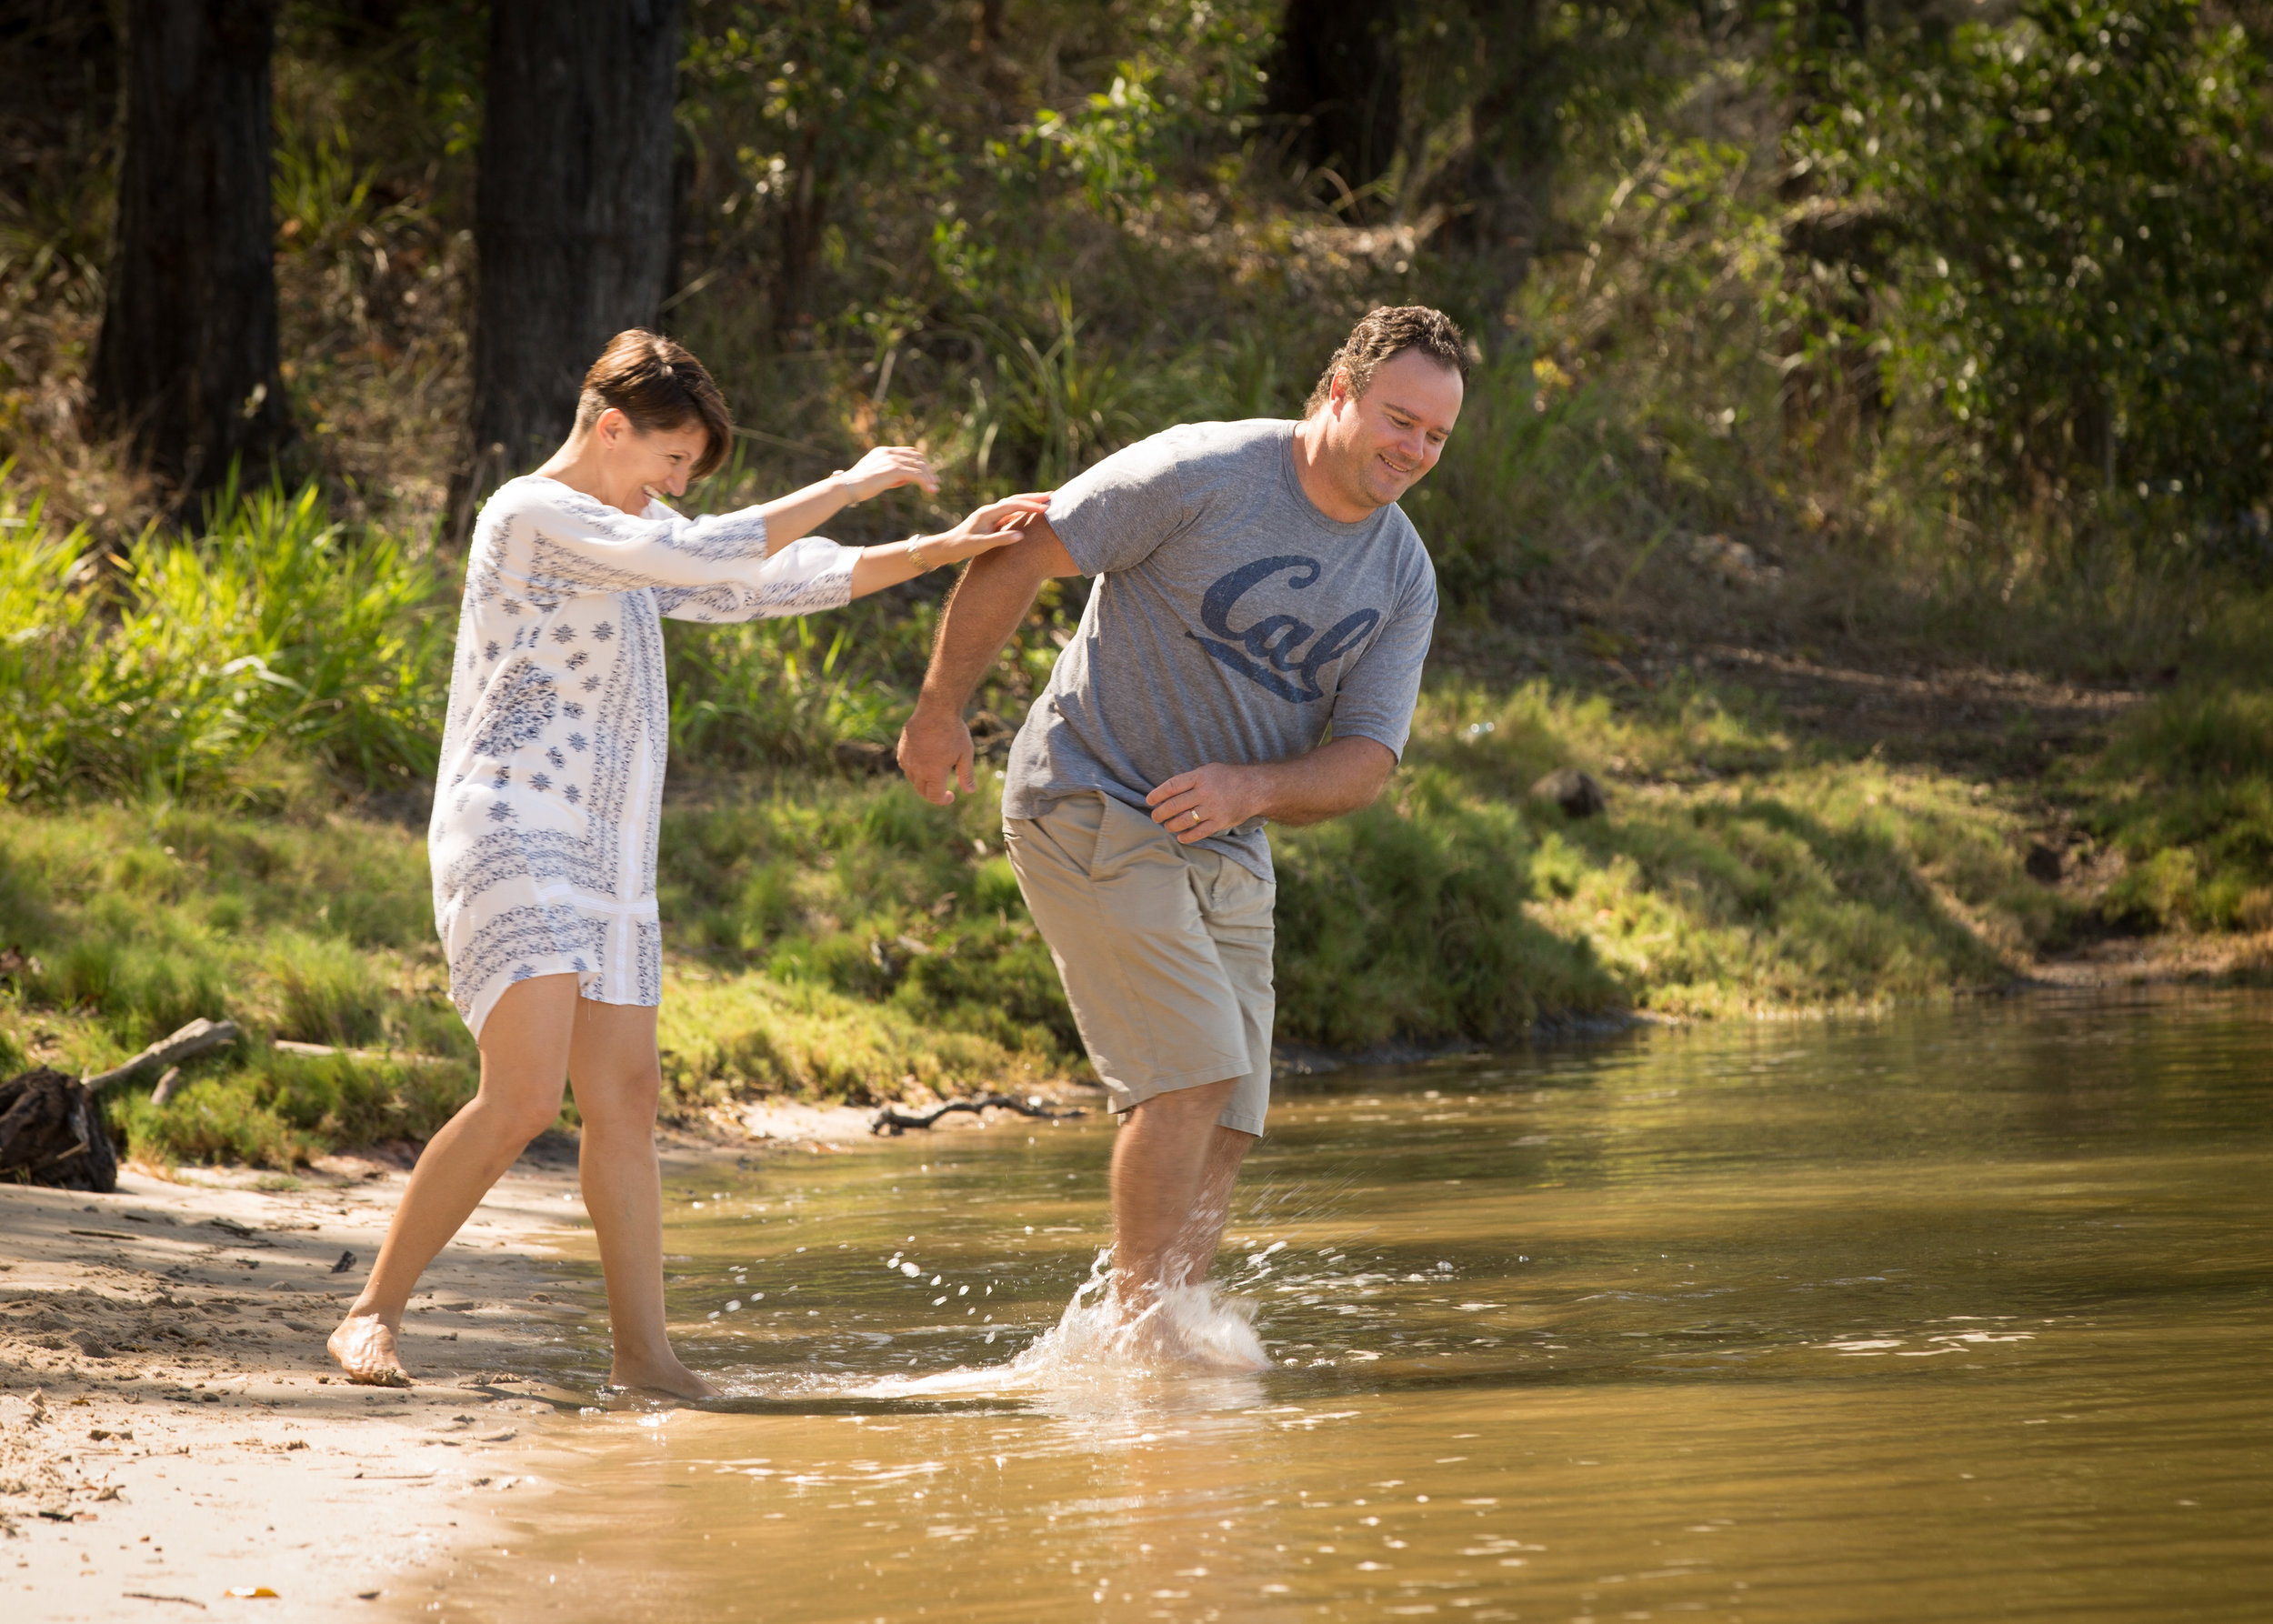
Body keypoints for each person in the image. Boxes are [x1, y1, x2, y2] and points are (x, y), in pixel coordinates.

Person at [329, 329, 1045, 1395]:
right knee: (524, 1095)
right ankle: (369, 1313)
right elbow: (711, 552)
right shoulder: (532, 513)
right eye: (669, 460)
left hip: (612, 849)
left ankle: (645, 1359)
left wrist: (941, 547)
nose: (675, 487)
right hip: (514, 823)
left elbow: (765, 578)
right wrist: (848, 483)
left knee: (624, 1099)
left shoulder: (639, 528)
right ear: (609, 427)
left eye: (688, 474)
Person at [896, 306, 1466, 1359]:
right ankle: (1139, 1337)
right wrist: (939, 712)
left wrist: (1252, 790)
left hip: (1227, 832)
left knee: (1235, 1108)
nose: (1414, 451)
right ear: (1337, 392)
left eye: (1435, 436)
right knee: (1190, 1076)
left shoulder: (1402, 572)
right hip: (1091, 791)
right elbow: (1022, 551)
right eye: (1399, 420)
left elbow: (1368, 763)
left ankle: (1169, 1323)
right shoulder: (1205, 470)